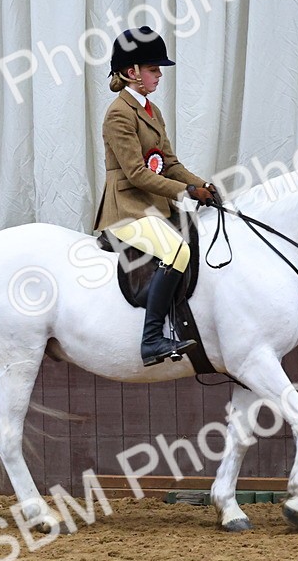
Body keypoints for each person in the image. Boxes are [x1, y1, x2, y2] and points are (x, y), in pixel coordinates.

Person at [93, 26, 217, 366]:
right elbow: (136, 173)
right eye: (152, 69)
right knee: (176, 250)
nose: (159, 75)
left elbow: (170, 163)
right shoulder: (118, 114)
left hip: (155, 206)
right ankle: (150, 340)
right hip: (127, 209)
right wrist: (185, 191)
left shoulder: (151, 111)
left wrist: (201, 185)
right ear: (132, 72)